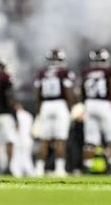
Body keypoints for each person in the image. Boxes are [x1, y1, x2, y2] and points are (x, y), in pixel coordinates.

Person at [34, 49, 75, 177]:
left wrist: (39, 110)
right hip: (60, 105)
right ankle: (59, 169)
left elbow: (38, 94)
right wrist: (70, 108)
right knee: (60, 139)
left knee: (44, 139)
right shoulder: (64, 73)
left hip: (46, 105)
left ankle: (39, 169)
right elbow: (68, 91)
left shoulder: (42, 73)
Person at [82, 49, 111, 174]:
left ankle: (87, 167)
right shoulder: (109, 71)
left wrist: (85, 103)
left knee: (90, 141)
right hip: (104, 104)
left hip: (89, 103)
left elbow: (82, 89)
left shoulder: (87, 72)